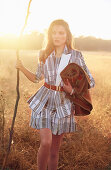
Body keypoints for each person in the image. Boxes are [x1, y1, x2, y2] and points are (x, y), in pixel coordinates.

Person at [16, 19, 95, 170]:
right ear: (50, 35)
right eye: (53, 33)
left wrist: (71, 91)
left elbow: (90, 81)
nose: (57, 36)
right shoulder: (44, 54)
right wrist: (21, 67)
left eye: (61, 33)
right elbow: (37, 78)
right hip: (45, 100)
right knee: (46, 142)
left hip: (64, 104)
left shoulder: (75, 55)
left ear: (67, 35)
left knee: (54, 150)